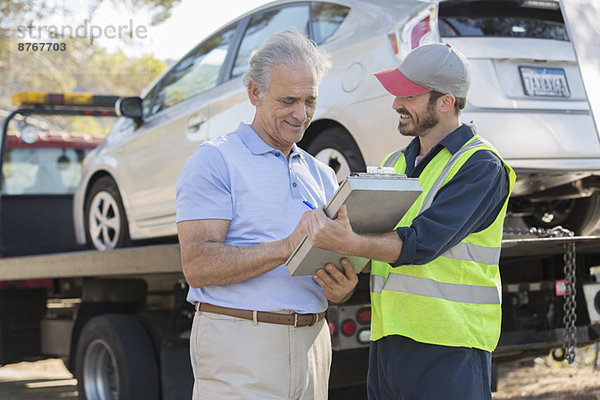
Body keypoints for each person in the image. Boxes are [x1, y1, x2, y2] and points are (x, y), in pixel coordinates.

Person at [303, 43, 516, 399]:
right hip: (389, 344)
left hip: (450, 347)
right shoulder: (398, 163)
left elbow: (421, 242)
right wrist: (347, 274)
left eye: (409, 95)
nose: (396, 104)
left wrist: (348, 242)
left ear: (446, 101)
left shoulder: (481, 166)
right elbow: (375, 247)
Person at [175, 30, 358, 400]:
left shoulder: (321, 174)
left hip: (314, 345)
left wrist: (343, 286)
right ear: (254, 93)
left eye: (310, 100)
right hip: (240, 346)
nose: (301, 114)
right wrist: (288, 247)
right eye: (288, 100)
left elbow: (329, 269)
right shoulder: (216, 160)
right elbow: (197, 264)